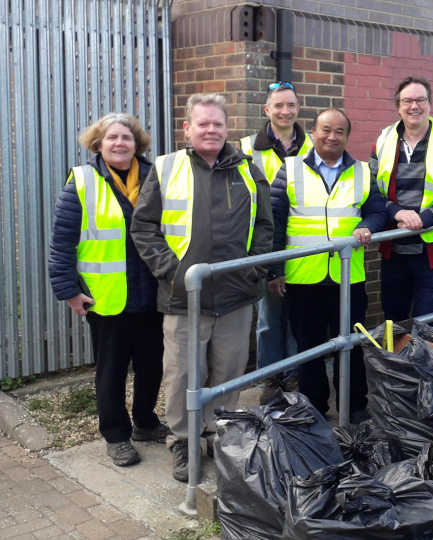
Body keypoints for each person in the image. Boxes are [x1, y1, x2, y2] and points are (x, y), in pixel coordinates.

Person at [131, 93, 274, 481]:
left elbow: (264, 226)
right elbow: (143, 227)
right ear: (187, 128)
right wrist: (171, 272)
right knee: (183, 375)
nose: (211, 130)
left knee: (228, 372)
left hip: (236, 295)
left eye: (218, 124)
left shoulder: (248, 168)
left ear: (227, 129)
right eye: (203, 123)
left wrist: (253, 269)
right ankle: (183, 441)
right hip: (183, 297)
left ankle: (221, 434)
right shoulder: (165, 167)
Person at [48, 113, 170, 467]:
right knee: (112, 369)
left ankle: (145, 422)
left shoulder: (154, 178)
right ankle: (116, 435)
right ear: (98, 143)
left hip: (153, 294)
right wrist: (69, 291)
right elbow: (62, 243)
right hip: (107, 297)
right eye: (112, 137)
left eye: (127, 138)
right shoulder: (82, 181)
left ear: (138, 144)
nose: (120, 143)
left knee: (152, 365)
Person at [270, 109, 387, 422]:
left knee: (351, 344)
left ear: (347, 137)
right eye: (326, 130)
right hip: (302, 276)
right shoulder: (290, 169)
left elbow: (378, 211)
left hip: (349, 277)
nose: (332, 137)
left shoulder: (363, 171)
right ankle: (314, 408)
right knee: (309, 347)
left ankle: (355, 407)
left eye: (339, 132)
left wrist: (367, 225)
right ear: (312, 132)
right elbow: (276, 219)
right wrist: (275, 270)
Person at [370, 76, 433, 326]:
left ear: (430, 103)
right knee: (394, 319)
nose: (414, 106)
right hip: (394, 247)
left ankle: (426, 366)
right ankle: (397, 366)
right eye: (407, 100)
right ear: (398, 106)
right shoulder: (383, 140)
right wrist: (395, 212)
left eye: (420, 100)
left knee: (429, 320)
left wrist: (422, 220)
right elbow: (372, 191)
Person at [240, 81, 312, 403]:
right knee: (269, 319)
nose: (285, 111)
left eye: (291, 105)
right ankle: (271, 379)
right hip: (263, 245)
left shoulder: (314, 144)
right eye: (278, 105)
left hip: (303, 246)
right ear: (267, 110)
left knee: (297, 317)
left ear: (298, 108)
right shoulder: (246, 147)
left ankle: (293, 375)